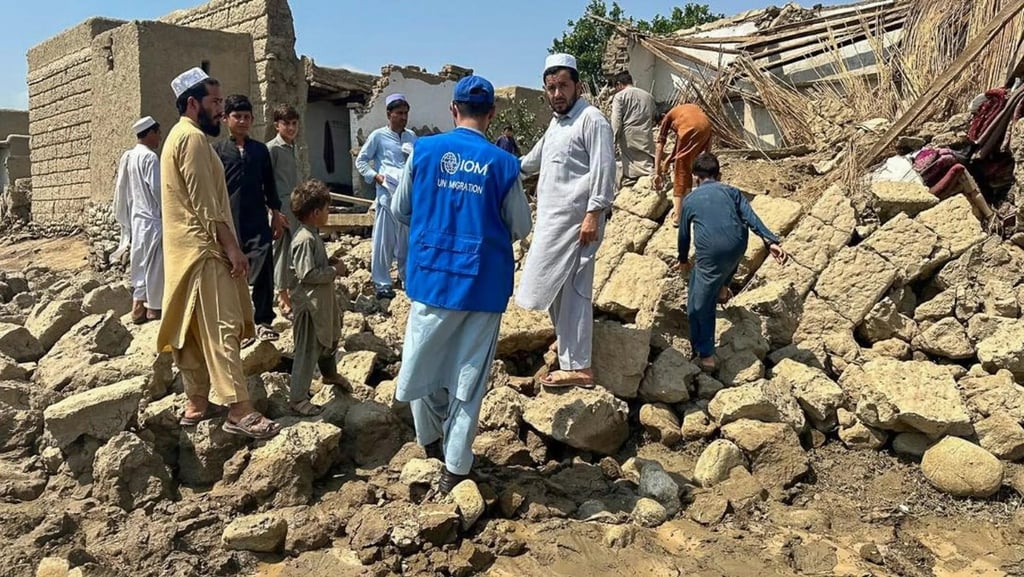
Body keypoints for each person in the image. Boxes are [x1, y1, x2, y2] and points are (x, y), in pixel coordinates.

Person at [392, 75, 532, 493]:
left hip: (431, 279)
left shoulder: (423, 151)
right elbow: (521, 226)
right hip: (482, 286)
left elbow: (401, 211)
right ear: (491, 115)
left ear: (454, 110)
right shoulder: (504, 164)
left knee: (422, 367)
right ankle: (455, 467)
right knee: (468, 380)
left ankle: (430, 441)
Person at [159, 67, 281, 439]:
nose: (220, 109)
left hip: (183, 254)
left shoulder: (177, 138)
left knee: (192, 332)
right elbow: (207, 205)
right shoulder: (193, 140)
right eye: (215, 103)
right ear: (193, 103)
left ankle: (196, 403)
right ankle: (238, 409)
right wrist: (233, 250)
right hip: (205, 252)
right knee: (222, 329)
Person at [517, 53, 615, 389]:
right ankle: (568, 346)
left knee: (574, 289)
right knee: (552, 287)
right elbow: (530, 162)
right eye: (551, 87)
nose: (557, 93)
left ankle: (580, 367)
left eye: (563, 86)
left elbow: (604, 170)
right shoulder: (557, 123)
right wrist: (498, 165)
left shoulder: (592, 119)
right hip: (551, 222)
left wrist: (593, 213)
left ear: (577, 85)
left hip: (578, 223)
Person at [677, 153, 787, 372]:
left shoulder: (690, 200)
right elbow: (750, 216)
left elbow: (683, 235)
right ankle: (724, 287)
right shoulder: (732, 192)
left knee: (698, 305)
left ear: (694, 177)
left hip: (711, 253)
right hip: (738, 247)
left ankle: (706, 354)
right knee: (729, 258)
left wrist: (682, 260)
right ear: (719, 175)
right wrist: (770, 241)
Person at [214, 94, 286, 343]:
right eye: (237, 116)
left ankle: (264, 321)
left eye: (247, 117)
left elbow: (269, 185)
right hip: (229, 222)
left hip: (257, 219)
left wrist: (276, 213)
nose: (243, 121)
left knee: (264, 263)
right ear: (226, 119)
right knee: (232, 271)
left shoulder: (260, 150)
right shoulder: (218, 152)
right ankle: (238, 324)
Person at [288, 179, 352, 416]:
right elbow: (307, 274)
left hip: (321, 302)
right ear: (316, 213)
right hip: (309, 307)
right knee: (307, 350)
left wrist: (329, 262)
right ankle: (297, 398)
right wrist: (334, 271)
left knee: (329, 339)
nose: (328, 213)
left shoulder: (312, 235)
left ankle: (329, 374)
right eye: (326, 209)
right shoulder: (304, 239)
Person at [355, 93, 417, 300]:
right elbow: (361, 161)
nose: (403, 117)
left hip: (407, 198)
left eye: (406, 113)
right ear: (389, 114)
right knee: (384, 242)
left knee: (406, 242)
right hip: (387, 197)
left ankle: (407, 279)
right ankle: (382, 284)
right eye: (399, 113)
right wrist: (376, 177)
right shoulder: (378, 136)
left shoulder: (411, 137)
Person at [112, 116, 164, 324]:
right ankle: (153, 309)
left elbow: (121, 189)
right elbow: (157, 189)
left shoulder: (129, 156)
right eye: (158, 133)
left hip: (137, 219)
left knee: (141, 263)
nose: (159, 138)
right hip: (152, 218)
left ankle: (137, 307)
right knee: (155, 264)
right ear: (150, 133)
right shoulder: (150, 158)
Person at [267, 104, 302, 318]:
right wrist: (273, 212)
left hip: (296, 206)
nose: (290, 128)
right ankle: (282, 296)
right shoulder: (272, 149)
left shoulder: (294, 147)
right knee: (280, 251)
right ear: (276, 125)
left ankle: (293, 290)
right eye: (286, 124)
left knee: (293, 251)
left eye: (294, 123)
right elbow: (265, 182)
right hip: (279, 208)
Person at [654, 103, 713, 227]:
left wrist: (656, 173)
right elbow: (680, 146)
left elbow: (659, 146)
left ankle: (678, 216)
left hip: (691, 128)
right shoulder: (684, 110)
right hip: (707, 127)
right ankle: (691, 202)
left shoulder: (668, 117)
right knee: (689, 166)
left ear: (663, 116)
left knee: (680, 170)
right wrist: (668, 160)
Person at [610, 71, 656, 186]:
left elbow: (616, 121)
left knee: (630, 166)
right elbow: (654, 117)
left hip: (628, 136)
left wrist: (613, 140)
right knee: (646, 164)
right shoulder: (648, 96)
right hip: (646, 134)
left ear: (619, 84)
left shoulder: (619, 96)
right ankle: (650, 183)